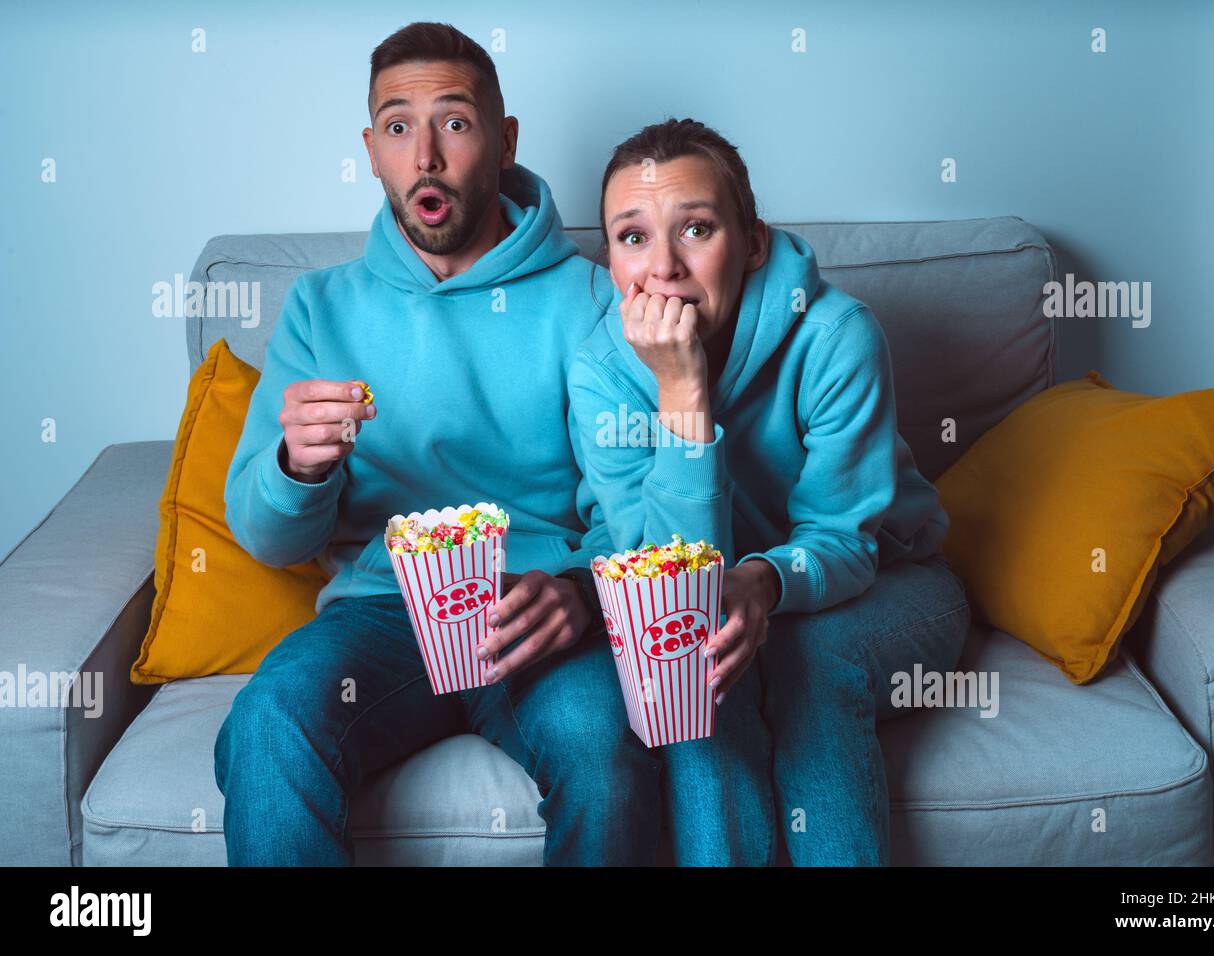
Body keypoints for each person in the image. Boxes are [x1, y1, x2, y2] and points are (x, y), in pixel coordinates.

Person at [215, 22, 661, 866]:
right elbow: (268, 539)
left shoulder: (593, 299)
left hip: (533, 610)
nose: (425, 156)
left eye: (454, 123)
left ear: (504, 141)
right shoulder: (320, 307)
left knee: (605, 747)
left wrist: (580, 593)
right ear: (370, 151)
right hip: (382, 616)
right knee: (267, 722)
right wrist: (296, 468)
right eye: (398, 127)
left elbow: (635, 505)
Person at [568, 118, 973, 865]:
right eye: (633, 237)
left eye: (696, 229)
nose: (664, 267)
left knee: (808, 663)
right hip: (716, 603)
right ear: (611, 260)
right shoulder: (600, 372)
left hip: (886, 579)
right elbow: (666, 584)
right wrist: (682, 394)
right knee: (691, 680)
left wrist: (761, 581)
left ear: (753, 243)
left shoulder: (837, 335)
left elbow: (845, 540)